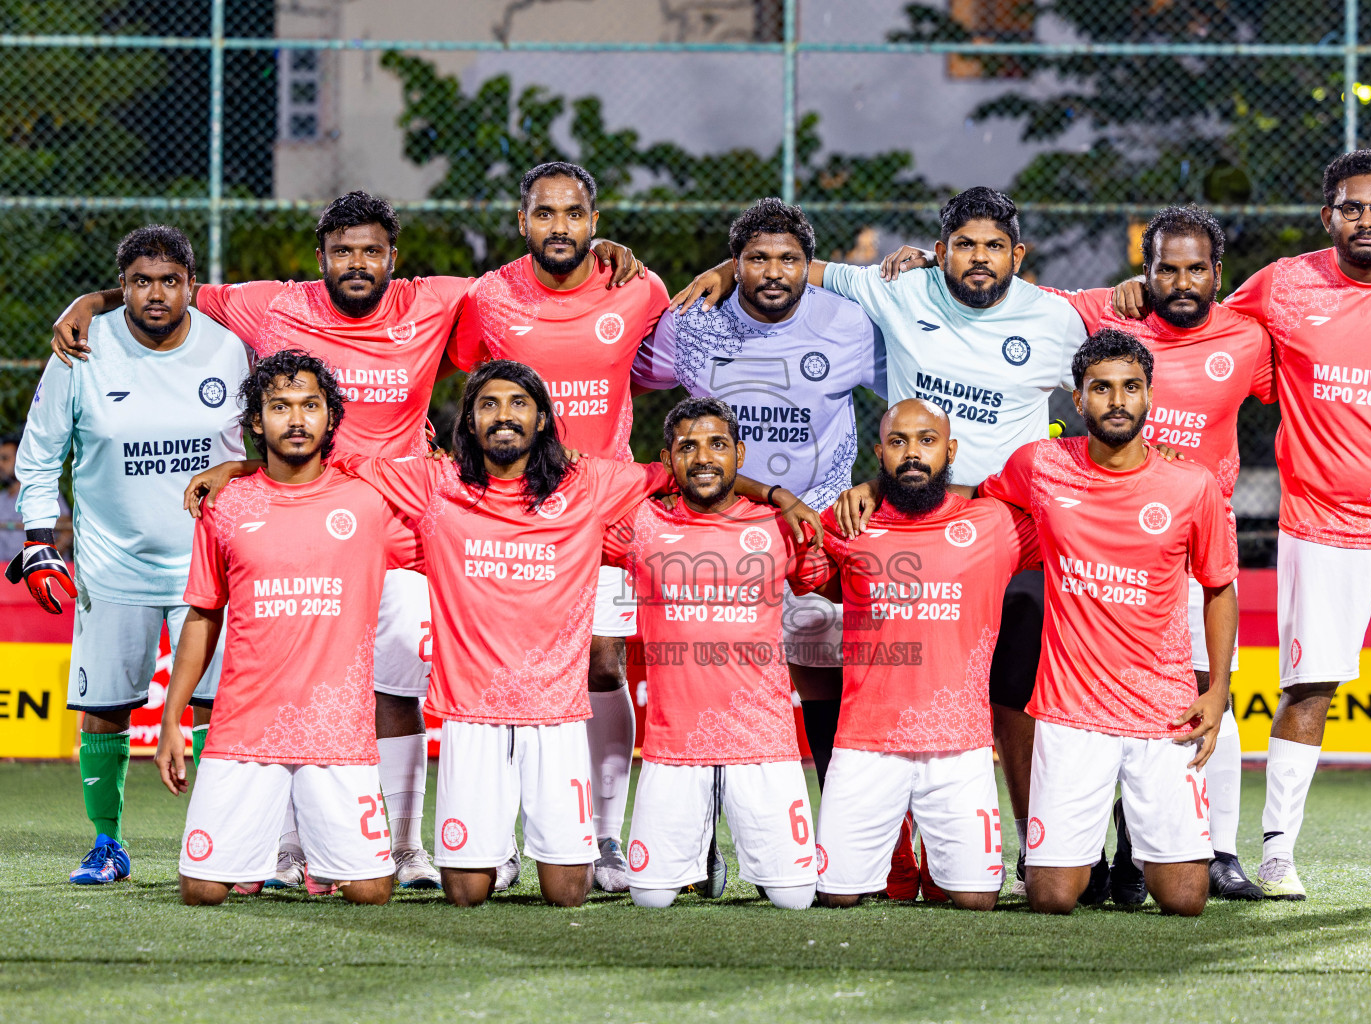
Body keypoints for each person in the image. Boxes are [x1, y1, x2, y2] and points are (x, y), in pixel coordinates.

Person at [51, 191, 643, 891]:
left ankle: (400, 846)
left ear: (393, 258)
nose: (357, 263)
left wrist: (608, 262)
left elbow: (539, 273)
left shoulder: (434, 300)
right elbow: (173, 292)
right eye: (342, 252)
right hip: (297, 522)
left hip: (395, 523)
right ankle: (286, 849)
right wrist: (90, 301)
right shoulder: (274, 304)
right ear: (320, 259)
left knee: (396, 685)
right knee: (294, 678)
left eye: (370, 251)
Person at [189, 361, 818, 907]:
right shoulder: (436, 486)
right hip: (471, 715)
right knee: (466, 893)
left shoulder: (587, 487)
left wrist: (775, 494)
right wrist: (240, 467)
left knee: (567, 893)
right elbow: (321, 456)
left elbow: (686, 470)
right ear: (470, 423)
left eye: (519, 403)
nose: (504, 414)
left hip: (557, 716)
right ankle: (495, 844)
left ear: (542, 420)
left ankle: (579, 842)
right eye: (488, 403)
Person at [1114, 150, 1371, 901]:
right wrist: (1129, 294)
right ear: (1327, 215)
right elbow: (1203, 319)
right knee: (1308, 688)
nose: (1366, 221)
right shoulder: (1288, 284)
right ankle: (1274, 858)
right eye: (1351, 208)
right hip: (1317, 526)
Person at [673, 186, 1087, 897]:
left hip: (1006, 533)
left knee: (1016, 702)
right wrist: (721, 269)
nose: (979, 259)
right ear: (942, 249)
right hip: (906, 524)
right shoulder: (899, 290)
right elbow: (802, 267)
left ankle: (1037, 854)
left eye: (994, 247)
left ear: (1018, 255)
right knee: (897, 693)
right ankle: (891, 852)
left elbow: (1119, 366)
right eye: (964, 245)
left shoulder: (1057, 318)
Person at [451, 162, 672, 892]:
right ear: (523, 222)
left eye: (573, 213)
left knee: (603, 666)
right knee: (506, 676)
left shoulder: (637, 287)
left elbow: (660, 370)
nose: (559, 227)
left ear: (594, 219)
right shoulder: (488, 297)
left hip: (599, 513)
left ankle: (602, 834)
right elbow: (456, 377)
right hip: (510, 514)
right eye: (544, 214)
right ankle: (502, 838)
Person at [1044, 205, 1272, 902]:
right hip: (1114, 540)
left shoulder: (1249, 338)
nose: (1180, 281)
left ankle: (1221, 850)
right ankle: (1130, 857)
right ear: (1145, 272)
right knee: (1115, 696)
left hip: (1199, 539)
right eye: (1165, 268)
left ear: (1216, 274)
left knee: (1207, 693)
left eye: (1194, 268)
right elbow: (1026, 300)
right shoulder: (1109, 314)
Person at [12, 226, 247, 885]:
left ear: (192, 286)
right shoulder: (81, 349)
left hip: (211, 565)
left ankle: (221, 840)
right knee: (107, 706)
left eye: (170, 281)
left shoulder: (228, 349)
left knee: (218, 704)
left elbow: (253, 450)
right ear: (123, 286)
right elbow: (38, 459)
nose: (155, 293)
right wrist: (37, 540)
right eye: (140, 281)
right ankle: (107, 843)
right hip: (114, 567)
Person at [976, 329, 1238, 916]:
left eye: (1130, 387)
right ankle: (1084, 856)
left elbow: (1219, 587)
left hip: (1163, 710)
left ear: (1149, 397)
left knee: (1186, 902)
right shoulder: (1039, 465)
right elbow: (983, 505)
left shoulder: (1192, 485)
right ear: (1078, 399)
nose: (1116, 400)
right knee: (1052, 898)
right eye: (1101, 388)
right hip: (1072, 712)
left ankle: (1132, 855)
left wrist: (1217, 689)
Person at [632, 198, 885, 801]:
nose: (774, 272)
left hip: (815, 529)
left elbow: (914, 393)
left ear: (809, 264)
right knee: (710, 685)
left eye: (789, 259)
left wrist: (875, 485)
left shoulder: (848, 324)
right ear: (734, 263)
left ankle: (843, 830)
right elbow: (629, 373)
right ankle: (698, 841)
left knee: (826, 679)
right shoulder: (695, 321)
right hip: (717, 532)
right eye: (757, 259)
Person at [156, 351, 416, 905]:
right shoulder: (224, 505)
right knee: (202, 890)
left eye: (310, 406)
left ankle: (321, 858)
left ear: (330, 418)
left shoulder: (370, 502)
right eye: (279, 406)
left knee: (370, 892)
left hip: (338, 732)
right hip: (245, 726)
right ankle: (280, 856)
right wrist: (172, 717)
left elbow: (453, 527)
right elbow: (203, 614)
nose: (296, 420)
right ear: (256, 420)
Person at [602, 396, 830, 910]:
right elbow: (567, 530)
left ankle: (711, 851)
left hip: (762, 741)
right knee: (650, 900)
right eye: (688, 447)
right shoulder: (641, 525)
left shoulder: (780, 528)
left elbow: (832, 579)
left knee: (795, 898)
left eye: (717, 445)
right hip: (674, 745)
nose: (703, 457)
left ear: (740, 454)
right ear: (667, 462)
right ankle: (700, 853)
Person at [813, 398, 1039, 911]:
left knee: (976, 901)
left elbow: (1071, 518)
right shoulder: (848, 523)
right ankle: (899, 857)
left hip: (959, 744)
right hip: (867, 742)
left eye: (926, 441)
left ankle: (936, 860)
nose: (912, 454)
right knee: (837, 897)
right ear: (880, 453)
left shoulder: (993, 522)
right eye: (898, 442)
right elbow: (805, 569)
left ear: (950, 451)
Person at [0, 433, 69, 566]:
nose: (0, 464)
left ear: (22, 460)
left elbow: (67, 529)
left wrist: (44, 562)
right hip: (5, 577)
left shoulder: (42, 492)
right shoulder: (1, 499)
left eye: (5, 458)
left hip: (37, 577)